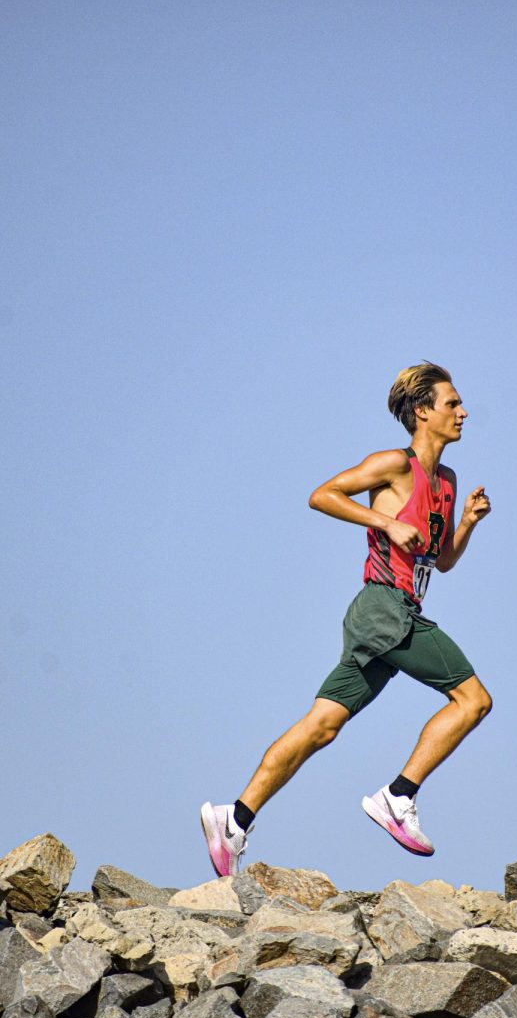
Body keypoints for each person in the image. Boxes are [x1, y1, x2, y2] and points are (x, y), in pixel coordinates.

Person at [200, 362, 492, 876]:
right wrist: (382, 520)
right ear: (423, 412)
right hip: (384, 608)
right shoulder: (394, 465)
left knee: (323, 725)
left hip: (390, 614)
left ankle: (234, 819)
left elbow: (440, 560)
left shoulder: (445, 481)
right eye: (452, 403)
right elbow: (323, 495)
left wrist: (466, 523)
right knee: (473, 700)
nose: (463, 412)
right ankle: (397, 797)